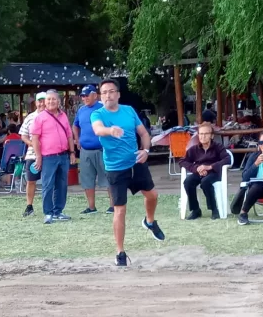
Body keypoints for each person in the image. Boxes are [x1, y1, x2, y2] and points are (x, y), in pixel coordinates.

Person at [91, 78, 165, 266]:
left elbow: (144, 134)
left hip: (136, 163)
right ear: (101, 96)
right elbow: (98, 130)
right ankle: (120, 252)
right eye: (104, 92)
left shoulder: (129, 111)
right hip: (115, 169)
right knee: (120, 210)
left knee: (152, 195)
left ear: (118, 94)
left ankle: (149, 221)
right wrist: (110, 130)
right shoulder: (97, 114)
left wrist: (146, 151)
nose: (108, 95)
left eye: (111, 91)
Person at [31, 89, 75, 224]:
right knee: (48, 185)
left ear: (58, 101)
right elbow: (35, 138)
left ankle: (58, 211)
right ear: (45, 102)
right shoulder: (40, 118)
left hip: (63, 156)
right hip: (48, 157)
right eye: (48, 99)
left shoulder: (63, 116)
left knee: (62, 185)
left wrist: (72, 152)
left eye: (53, 99)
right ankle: (48, 213)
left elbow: (69, 135)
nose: (51, 102)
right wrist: (38, 156)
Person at [73, 84, 113, 215]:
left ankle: (113, 205)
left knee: (108, 178)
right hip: (85, 150)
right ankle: (91, 207)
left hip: (102, 149)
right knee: (87, 179)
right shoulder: (81, 110)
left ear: (94, 95)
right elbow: (75, 126)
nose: (84, 98)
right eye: (82, 96)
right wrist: (77, 139)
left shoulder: (103, 108)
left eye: (87, 95)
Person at [180, 122, 231, 219]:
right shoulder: (194, 149)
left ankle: (214, 209)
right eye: (201, 134)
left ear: (211, 136)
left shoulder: (218, 147)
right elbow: (182, 161)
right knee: (188, 182)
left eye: (206, 134)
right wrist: (196, 168)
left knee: (205, 182)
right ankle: (196, 210)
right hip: (199, 173)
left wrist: (210, 167)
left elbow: (227, 159)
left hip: (214, 173)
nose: (203, 136)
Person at [19, 92, 46, 217]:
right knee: (31, 181)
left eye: (44, 101)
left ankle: (49, 207)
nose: (41, 103)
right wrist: (32, 144)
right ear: (36, 103)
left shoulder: (52, 116)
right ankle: (29, 206)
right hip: (32, 155)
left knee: (49, 181)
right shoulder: (30, 117)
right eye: (39, 101)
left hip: (48, 154)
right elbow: (23, 135)